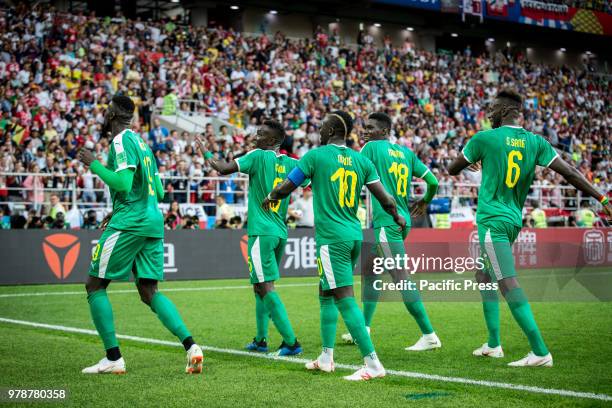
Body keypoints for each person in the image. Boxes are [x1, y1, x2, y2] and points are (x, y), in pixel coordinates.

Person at [448, 88, 612, 367]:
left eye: (491, 109)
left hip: (492, 221)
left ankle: (539, 351)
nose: (488, 113)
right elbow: (570, 172)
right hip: (513, 220)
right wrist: (603, 198)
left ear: (502, 111)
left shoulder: (484, 139)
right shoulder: (536, 142)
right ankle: (493, 344)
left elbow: (452, 168)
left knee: (506, 281)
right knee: (483, 275)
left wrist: (470, 162)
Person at [264, 110, 406, 381]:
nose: (318, 130)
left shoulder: (315, 156)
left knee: (344, 297)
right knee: (326, 292)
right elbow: (386, 198)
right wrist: (398, 216)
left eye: (321, 127)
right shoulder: (360, 160)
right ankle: (326, 357)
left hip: (332, 239)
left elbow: (286, 187)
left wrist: (271, 195)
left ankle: (373, 363)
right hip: (353, 235)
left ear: (329, 132)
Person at [76, 95, 203, 375]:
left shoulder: (120, 141)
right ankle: (192, 346)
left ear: (111, 114)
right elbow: (158, 191)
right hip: (152, 220)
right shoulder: (144, 145)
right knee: (149, 291)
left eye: (106, 109)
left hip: (131, 221)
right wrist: (120, 206)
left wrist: (94, 164)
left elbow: (122, 182)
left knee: (94, 285)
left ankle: (113, 358)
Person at [196, 120, 306, 356]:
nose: (256, 137)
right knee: (261, 287)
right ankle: (260, 339)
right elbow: (309, 179)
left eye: (262, 134)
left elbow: (223, 169)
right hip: (279, 232)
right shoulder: (292, 163)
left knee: (263, 286)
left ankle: (291, 342)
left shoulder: (257, 156)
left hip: (262, 231)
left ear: (274, 141)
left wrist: (204, 151)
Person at [340, 112, 441, 351]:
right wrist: (425, 201)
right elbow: (434, 182)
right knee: (371, 270)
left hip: (387, 221)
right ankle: (363, 328)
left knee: (401, 278)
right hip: (402, 219)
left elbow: (353, 175)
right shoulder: (406, 153)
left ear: (384, 131)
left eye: (370, 127)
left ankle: (429, 334)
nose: (364, 131)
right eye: (364, 127)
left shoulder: (371, 148)